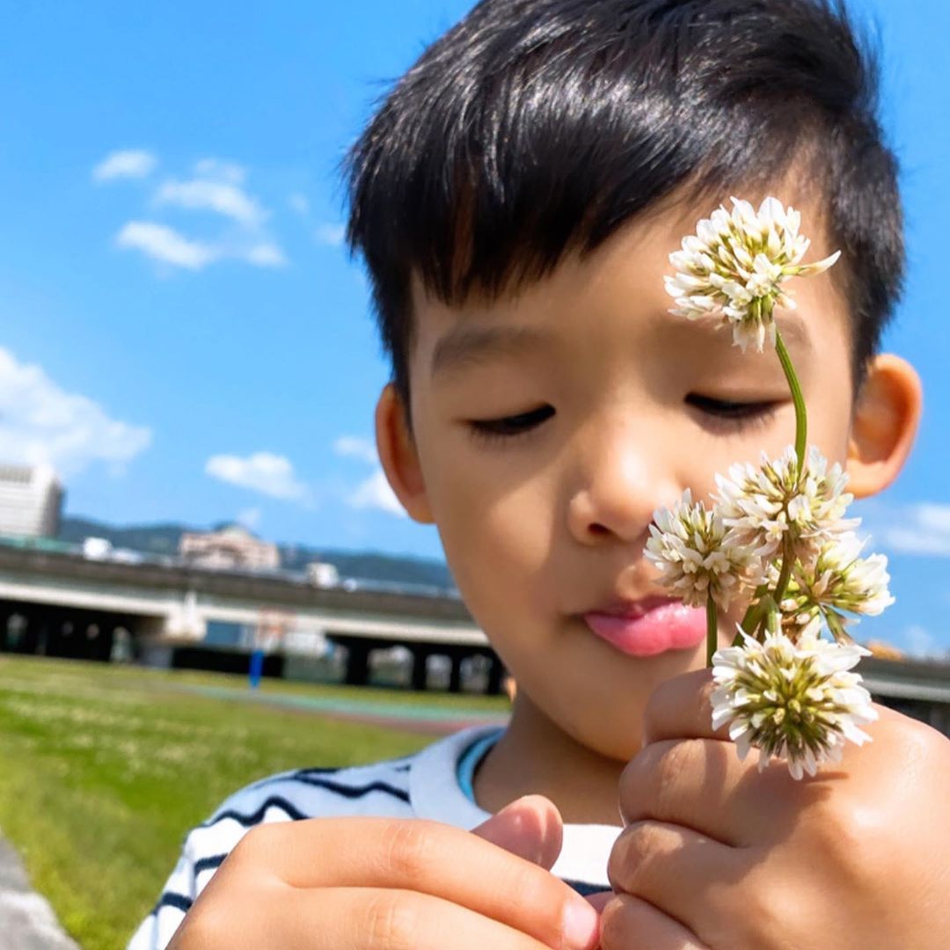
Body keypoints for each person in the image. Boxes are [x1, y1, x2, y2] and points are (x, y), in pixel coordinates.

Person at [131, 1, 950, 947]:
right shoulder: (266, 866)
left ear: (867, 432)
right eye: (512, 413)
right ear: (409, 456)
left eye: (727, 399)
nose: (627, 496)